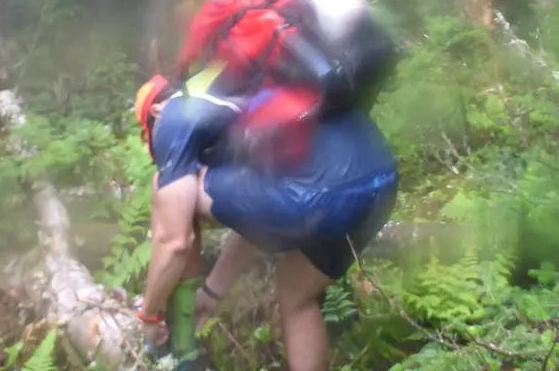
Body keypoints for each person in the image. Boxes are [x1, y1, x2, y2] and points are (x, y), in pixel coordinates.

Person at [134, 71, 398, 371]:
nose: (150, 148)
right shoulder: (228, 97)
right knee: (296, 294)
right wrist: (212, 292)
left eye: (147, 134)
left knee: (172, 190)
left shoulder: (176, 114)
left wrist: (150, 317)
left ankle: (183, 354)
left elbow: (175, 242)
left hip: (318, 189)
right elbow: (256, 216)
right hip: (380, 180)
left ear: (156, 111)